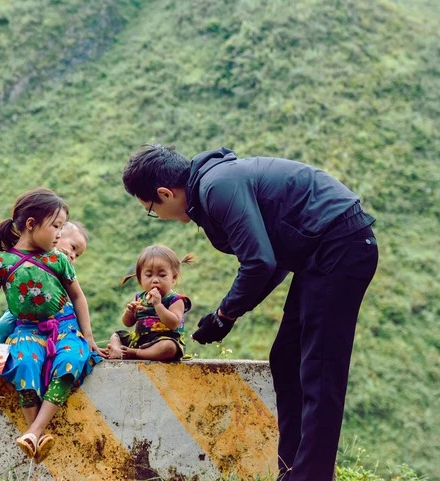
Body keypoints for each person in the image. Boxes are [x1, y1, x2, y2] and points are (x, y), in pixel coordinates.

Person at [122, 144, 378, 481]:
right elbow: (274, 260)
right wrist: (227, 314)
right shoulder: (212, 185)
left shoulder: (216, 187)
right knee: (287, 358)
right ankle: (291, 470)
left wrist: (224, 314)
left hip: (341, 245)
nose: (158, 216)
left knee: (319, 368)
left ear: (165, 194)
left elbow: (259, 262)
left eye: (151, 210)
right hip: (319, 254)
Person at [0, 188, 106, 464]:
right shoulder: (1, 263)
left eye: (61, 227)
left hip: (64, 329)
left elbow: (78, 297)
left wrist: (88, 336)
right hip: (26, 331)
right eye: (56, 227)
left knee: (72, 360)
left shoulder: (58, 260)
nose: (59, 235)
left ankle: (34, 431)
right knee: (25, 363)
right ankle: (35, 434)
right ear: (31, 224)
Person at [0, 220, 89, 343]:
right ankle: (4, 345)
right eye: (73, 247)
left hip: (55, 311)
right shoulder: (29, 255)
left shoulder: (63, 264)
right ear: (57, 235)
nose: (73, 256)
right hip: (24, 311)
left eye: (77, 255)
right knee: (1, 326)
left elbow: (76, 295)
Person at [107, 244, 193, 361]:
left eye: (162, 275)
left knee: (169, 347)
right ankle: (118, 351)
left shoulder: (176, 300)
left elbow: (173, 323)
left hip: (163, 340)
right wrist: (130, 312)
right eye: (148, 275)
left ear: (173, 278)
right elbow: (128, 323)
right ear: (140, 279)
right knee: (116, 336)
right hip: (139, 339)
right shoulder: (140, 298)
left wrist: (158, 305)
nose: (155, 280)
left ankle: (136, 353)